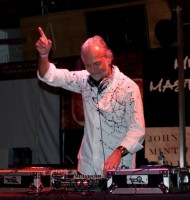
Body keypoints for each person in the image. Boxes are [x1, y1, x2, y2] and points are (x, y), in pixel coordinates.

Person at [35, 27, 145, 176]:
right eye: (87, 65)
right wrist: (43, 55)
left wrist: (119, 152)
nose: (92, 70)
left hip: (119, 170)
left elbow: (137, 130)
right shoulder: (84, 80)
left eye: (97, 64)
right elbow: (49, 75)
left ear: (109, 57)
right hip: (87, 168)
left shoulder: (129, 88)